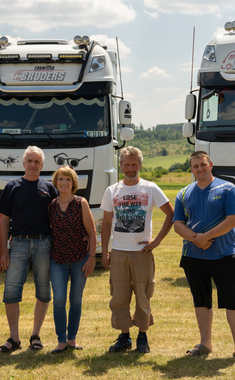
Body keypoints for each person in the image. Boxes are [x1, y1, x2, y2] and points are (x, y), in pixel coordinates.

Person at [173, 150, 235, 361]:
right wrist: (196, 239)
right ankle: (205, 344)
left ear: (211, 164)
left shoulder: (228, 188)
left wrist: (205, 237)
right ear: (191, 169)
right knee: (201, 302)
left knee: (234, 302)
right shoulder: (183, 193)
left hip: (224, 255)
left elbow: (231, 221)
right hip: (193, 256)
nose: (200, 169)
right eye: (195, 166)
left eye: (203, 164)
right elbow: (178, 224)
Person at [101, 146, 174, 354]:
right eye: (126, 165)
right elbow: (106, 224)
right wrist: (105, 252)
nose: (130, 168)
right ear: (121, 166)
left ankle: (143, 336)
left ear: (140, 165)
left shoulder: (150, 188)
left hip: (142, 252)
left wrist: (157, 240)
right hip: (119, 251)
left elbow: (171, 213)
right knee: (119, 295)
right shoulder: (112, 190)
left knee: (143, 294)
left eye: (134, 164)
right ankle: (124, 336)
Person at [0, 146, 58, 353]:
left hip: (43, 244)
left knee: (43, 291)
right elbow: (2, 219)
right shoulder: (12, 187)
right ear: (23, 163)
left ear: (42, 165)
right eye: (29, 160)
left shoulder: (49, 188)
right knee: (11, 292)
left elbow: (61, 216)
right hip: (18, 244)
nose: (33, 164)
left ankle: (35, 336)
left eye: (37, 161)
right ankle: (14, 339)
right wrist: (3, 251)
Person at [48, 166, 96, 354]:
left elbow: (91, 232)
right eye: (60, 179)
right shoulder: (51, 205)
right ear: (56, 182)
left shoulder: (81, 202)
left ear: (73, 182)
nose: (64, 183)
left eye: (68, 179)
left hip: (80, 259)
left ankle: (72, 339)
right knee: (59, 300)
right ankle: (61, 340)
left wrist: (92, 257)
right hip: (57, 259)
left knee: (75, 300)